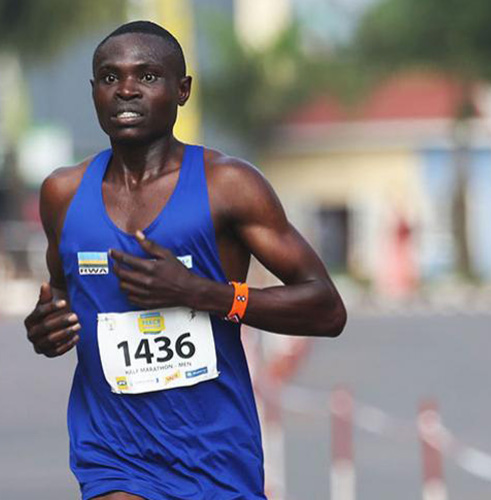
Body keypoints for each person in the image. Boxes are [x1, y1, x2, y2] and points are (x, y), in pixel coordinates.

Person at [23, 21, 347, 500]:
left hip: (215, 451)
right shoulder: (63, 193)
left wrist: (202, 294)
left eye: (147, 76)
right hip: (114, 453)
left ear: (182, 90)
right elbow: (63, 301)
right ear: (94, 93)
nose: (126, 90)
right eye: (110, 78)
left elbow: (326, 308)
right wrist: (44, 330)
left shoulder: (228, 185)